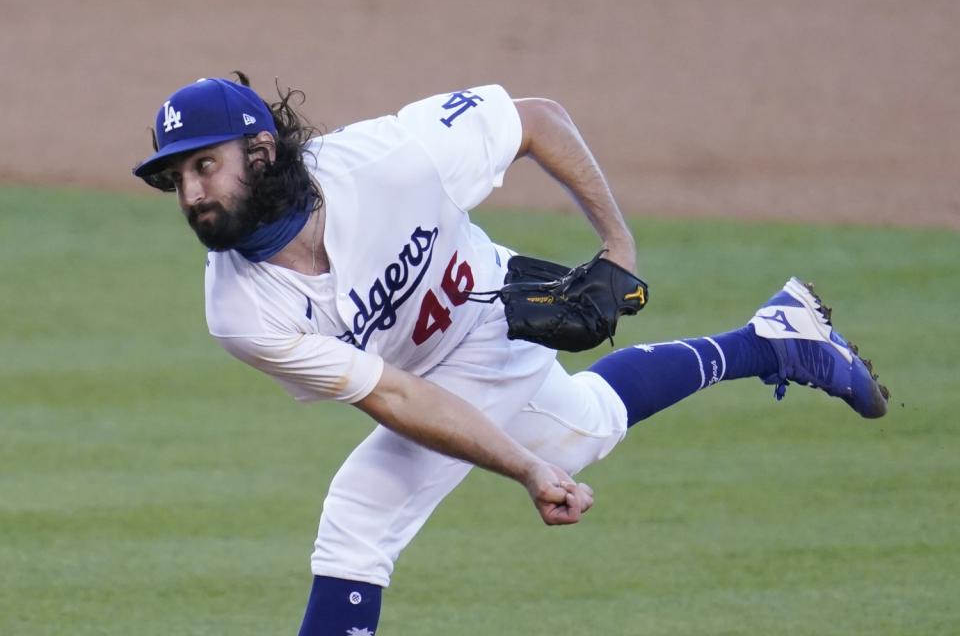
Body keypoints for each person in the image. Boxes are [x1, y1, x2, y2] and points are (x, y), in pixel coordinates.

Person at [133, 73, 888, 635]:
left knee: (361, 516)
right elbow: (396, 397)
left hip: (494, 316)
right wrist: (527, 466)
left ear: (261, 152)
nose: (190, 194)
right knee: (584, 427)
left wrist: (616, 247)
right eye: (176, 178)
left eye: (206, 166)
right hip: (424, 375)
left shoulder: (390, 157)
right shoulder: (238, 308)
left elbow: (536, 120)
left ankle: (775, 340)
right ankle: (774, 339)